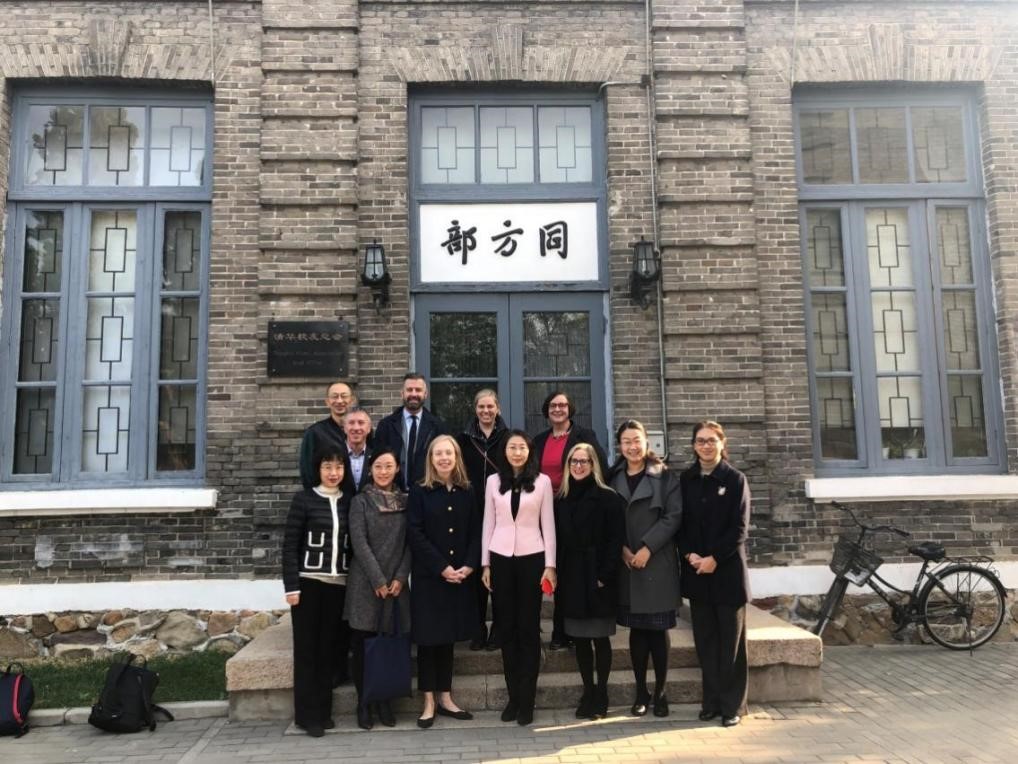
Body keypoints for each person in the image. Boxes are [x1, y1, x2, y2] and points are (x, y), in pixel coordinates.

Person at [481, 430, 557, 727]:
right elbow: (488, 522)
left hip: (532, 558)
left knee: (528, 630)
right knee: (507, 630)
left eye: (521, 447)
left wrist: (550, 565)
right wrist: (485, 563)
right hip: (500, 558)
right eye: (512, 447)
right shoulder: (492, 481)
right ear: (505, 451)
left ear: (529, 451)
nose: (516, 452)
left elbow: (548, 525)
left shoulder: (542, 482)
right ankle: (513, 697)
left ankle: (527, 699)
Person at [678, 420, 751, 728]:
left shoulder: (735, 480)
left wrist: (715, 558)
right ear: (694, 446)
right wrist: (690, 555)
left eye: (711, 440)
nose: (706, 446)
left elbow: (740, 528)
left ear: (722, 443)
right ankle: (711, 702)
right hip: (697, 573)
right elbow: (680, 523)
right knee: (706, 642)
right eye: (700, 441)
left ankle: (732, 706)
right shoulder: (686, 479)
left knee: (730, 644)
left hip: (727, 574)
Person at [608, 419, 682, 718]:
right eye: (626, 442)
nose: (632, 447)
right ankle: (641, 692)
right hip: (627, 563)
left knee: (658, 632)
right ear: (619, 446)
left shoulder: (664, 476)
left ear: (646, 442)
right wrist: (623, 549)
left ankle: (661, 692)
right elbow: (607, 519)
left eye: (636, 440)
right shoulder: (612, 478)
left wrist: (647, 548)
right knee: (637, 633)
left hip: (657, 562)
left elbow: (673, 516)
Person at [406, 435, 480, 729]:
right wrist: (442, 567)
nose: (444, 458)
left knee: (447, 639)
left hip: (459, 576)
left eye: (449, 453)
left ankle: (446, 697)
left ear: (456, 457)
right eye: (438, 453)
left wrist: (469, 565)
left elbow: (476, 530)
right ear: (431, 459)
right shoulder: (420, 491)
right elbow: (415, 533)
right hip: (430, 578)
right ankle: (428, 701)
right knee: (428, 640)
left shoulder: (467, 490)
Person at [281, 444, 352, 737]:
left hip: (339, 586)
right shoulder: (304, 500)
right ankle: (306, 716)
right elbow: (290, 546)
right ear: (318, 469)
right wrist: (291, 586)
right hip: (308, 584)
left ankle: (324, 712)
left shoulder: (349, 501)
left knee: (328, 650)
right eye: (327, 467)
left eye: (338, 467)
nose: (333, 473)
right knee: (307, 651)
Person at [554, 442, 625, 720]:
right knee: (580, 640)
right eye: (574, 461)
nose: (578, 466)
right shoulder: (561, 499)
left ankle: (602, 693)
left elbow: (615, 540)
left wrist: (605, 575)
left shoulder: (608, 498)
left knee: (599, 638)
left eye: (584, 461)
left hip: (598, 576)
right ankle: (588, 691)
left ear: (593, 464)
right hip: (571, 576)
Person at [532, 390, 608, 651]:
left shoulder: (584, 436)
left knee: (569, 570)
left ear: (570, 409)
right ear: (547, 409)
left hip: (574, 509)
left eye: (563, 405)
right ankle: (545, 628)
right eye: (553, 405)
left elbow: (601, 467)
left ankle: (565, 631)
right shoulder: (539, 440)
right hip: (544, 511)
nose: (558, 409)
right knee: (549, 568)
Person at [343, 449, 411, 730]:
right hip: (366, 585)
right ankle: (364, 703)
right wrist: (378, 580)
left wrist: (400, 576)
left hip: (396, 586)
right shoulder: (360, 501)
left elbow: (411, 543)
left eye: (389, 466)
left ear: (397, 469)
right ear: (370, 470)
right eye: (379, 466)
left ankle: (385, 701)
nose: (384, 471)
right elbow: (359, 543)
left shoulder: (406, 501)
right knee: (363, 648)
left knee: (390, 645)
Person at [456, 388, 508, 651]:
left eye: (490, 406)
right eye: (481, 407)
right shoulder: (463, 439)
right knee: (475, 572)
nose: (486, 411)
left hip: (503, 513)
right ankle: (477, 627)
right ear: (475, 409)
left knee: (499, 573)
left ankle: (499, 627)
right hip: (471, 512)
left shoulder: (508, 437)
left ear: (498, 408)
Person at [375, 372, 448, 490]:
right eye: (409, 390)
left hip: (426, 492)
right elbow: (377, 460)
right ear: (402, 393)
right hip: (392, 493)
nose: (413, 394)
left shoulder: (437, 427)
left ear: (425, 394)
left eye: (418, 390)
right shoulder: (386, 425)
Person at [298, 380, 356, 491]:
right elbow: (307, 471)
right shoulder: (315, 432)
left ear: (352, 400)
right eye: (334, 396)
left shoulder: (362, 431)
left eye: (344, 396)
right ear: (327, 402)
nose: (339, 400)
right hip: (329, 496)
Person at [344, 406, 374, 492]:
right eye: (351, 423)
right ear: (345, 428)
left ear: (369, 428)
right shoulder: (335, 454)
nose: (356, 428)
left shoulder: (376, 456)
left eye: (361, 423)